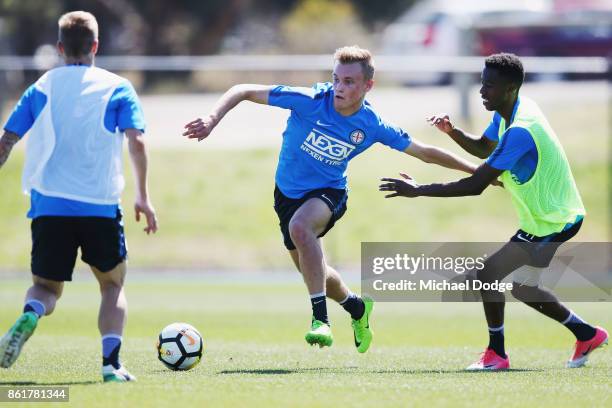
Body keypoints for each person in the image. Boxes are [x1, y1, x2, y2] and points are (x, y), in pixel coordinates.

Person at [183, 45, 479, 351]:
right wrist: (211, 118)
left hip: (329, 193)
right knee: (317, 273)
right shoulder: (308, 101)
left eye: (349, 81)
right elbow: (242, 89)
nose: (339, 86)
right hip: (285, 195)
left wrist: (478, 171)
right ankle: (357, 308)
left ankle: (320, 321)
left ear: (368, 86)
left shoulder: (371, 124)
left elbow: (426, 152)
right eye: (336, 78)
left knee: (301, 228)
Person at [379, 53, 608, 370]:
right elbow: (486, 147)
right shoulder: (511, 111)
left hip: (553, 221)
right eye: (482, 84)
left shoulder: (520, 130)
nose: (482, 91)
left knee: (489, 274)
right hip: (549, 218)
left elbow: (476, 185)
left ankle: (497, 355)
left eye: (490, 86)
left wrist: (419, 190)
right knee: (523, 288)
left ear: (511, 87)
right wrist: (453, 131)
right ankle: (587, 334)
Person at [0, 11, 157, 382]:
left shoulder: (42, 87)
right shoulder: (117, 87)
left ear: (59, 47)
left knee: (45, 287)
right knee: (112, 285)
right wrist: (143, 196)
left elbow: (6, 140)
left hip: (49, 204)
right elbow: (137, 141)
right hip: (99, 205)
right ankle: (111, 365)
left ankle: (32, 313)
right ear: (96, 46)